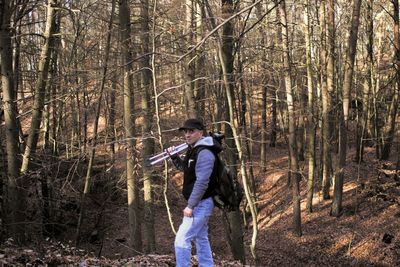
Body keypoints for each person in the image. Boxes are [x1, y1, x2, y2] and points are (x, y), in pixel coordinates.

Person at [167, 118, 221, 267]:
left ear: (200, 133)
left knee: (182, 239)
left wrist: (190, 205)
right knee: (201, 237)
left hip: (201, 203)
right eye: (186, 131)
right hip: (199, 202)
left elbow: (202, 182)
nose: (187, 135)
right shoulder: (195, 149)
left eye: (191, 131)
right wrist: (174, 157)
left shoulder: (204, 153)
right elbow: (186, 168)